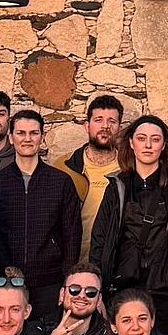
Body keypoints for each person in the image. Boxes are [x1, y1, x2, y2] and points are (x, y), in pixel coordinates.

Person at [90, 114, 168, 335]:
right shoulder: (117, 186)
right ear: (131, 142)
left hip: (167, 292)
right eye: (142, 138)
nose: (148, 145)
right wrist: (97, 287)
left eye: (155, 140)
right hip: (124, 287)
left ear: (163, 145)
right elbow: (100, 239)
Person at [0, 109, 82, 326]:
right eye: (21, 133)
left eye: (33, 133)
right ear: (11, 138)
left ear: (42, 137)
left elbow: (71, 234)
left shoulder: (60, 182)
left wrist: (67, 283)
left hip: (49, 282)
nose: (27, 139)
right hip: (7, 282)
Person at [53, 94, 124, 251]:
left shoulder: (128, 169)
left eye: (112, 121)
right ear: (87, 126)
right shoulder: (63, 167)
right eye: (98, 120)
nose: (105, 126)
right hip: (73, 263)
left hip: (115, 265)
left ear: (119, 128)